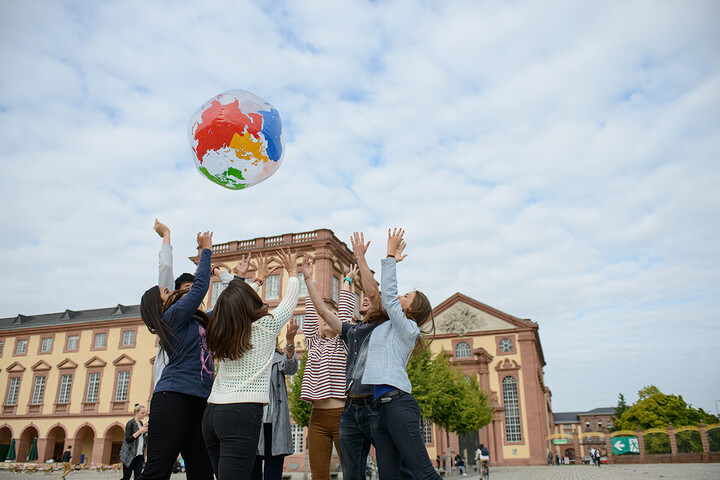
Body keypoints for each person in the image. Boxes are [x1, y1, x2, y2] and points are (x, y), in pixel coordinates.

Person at [202, 249, 299, 479]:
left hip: (212, 414)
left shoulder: (221, 328)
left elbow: (233, 304)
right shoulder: (264, 329)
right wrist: (293, 272)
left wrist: (257, 281)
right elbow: (290, 301)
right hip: (241, 412)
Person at [362, 228, 438, 480]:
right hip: (381, 409)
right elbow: (381, 298)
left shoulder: (408, 329)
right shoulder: (390, 325)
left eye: (407, 296)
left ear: (413, 308)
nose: (400, 296)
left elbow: (390, 299)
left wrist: (390, 257)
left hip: (399, 405)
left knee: (424, 473)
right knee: (389, 476)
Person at [139, 231, 215, 480]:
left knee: (202, 471)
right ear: (160, 305)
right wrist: (205, 250)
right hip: (174, 397)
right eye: (165, 291)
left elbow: (224, 309)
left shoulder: (193, 319)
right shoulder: (171, 316)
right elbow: (200, 287)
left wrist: (240, 280)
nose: (170, 291)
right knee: (157, 472)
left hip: (200, 400)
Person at [299, 255, 354, 480]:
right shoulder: (314, 343)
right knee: (319, 474)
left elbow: (345, 313)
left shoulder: (344, 343)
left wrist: (348, 282)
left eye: (330, 318)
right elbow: (314, 312)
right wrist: (309, 280)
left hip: (343, 414)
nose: (325, 320)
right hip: (317, 417)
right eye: (324, 319)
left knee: (351, 471)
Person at [250, 317, 300, 480]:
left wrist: (290, 340)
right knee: (252, 471)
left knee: (273, 474)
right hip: (253, 421)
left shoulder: (278, 358)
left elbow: (291, 368)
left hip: (274, 422)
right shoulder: (248, 356)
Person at [152, 219, 197, 389]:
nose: (191, 292)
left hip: (195, 388)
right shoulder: (171, 310)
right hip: (169, 386)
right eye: (187, 288)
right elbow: (165, 268)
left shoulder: (203, 317)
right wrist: (166, 235)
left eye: (195, 289)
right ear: (175, 293)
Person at [120, 404, 148, 479]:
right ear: (136, 413)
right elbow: (128, 439)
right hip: (130, 454)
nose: (144, 414)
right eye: (142, 413)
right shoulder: (130, 423)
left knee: (138, 477)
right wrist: (141, 431)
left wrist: (145, 432)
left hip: (139, 455)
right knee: (126, 477)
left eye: (145, 413)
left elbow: (141, 439)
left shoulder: (141, 424)